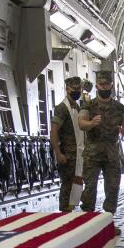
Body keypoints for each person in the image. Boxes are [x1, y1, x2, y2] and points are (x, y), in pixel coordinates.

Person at [79, 69, 124, 214]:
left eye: (107, 84)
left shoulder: (120, 108)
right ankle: (88, 220)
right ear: (97, 86)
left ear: (112, 86)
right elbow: (81, 123)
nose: (104, 87)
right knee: (90, 188)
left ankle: (108, 220)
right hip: (92, 155)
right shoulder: (88, 106)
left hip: (111, 155)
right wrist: (91, 123)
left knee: (113, 188)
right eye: (101, 85)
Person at [50, 76, 84, 212]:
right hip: (68, 155)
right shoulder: (62, 108)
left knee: (76, 184)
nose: (77, 91)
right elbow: (53, 131)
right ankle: (64, 212)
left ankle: (70, 210)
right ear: (67, 89)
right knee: (67, 186)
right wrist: (58, 153)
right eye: (74, 89)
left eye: (79, 88)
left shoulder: (77, 106)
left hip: (78, 154)